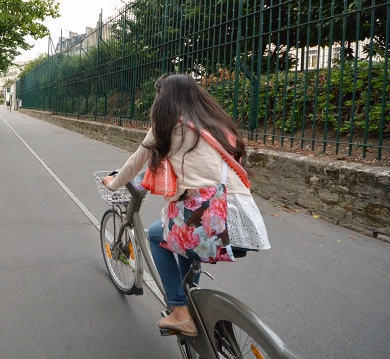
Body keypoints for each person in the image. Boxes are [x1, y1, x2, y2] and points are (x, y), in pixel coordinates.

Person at [102, 73, 270, 337]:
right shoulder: (214, 124)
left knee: (158, 235)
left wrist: (112, 183)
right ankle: (191, 299)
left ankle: (180, 311)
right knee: (184, 235)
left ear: (163, 98)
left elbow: (136, 162)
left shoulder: (167, 124)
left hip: (211, 221)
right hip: (242, 224)